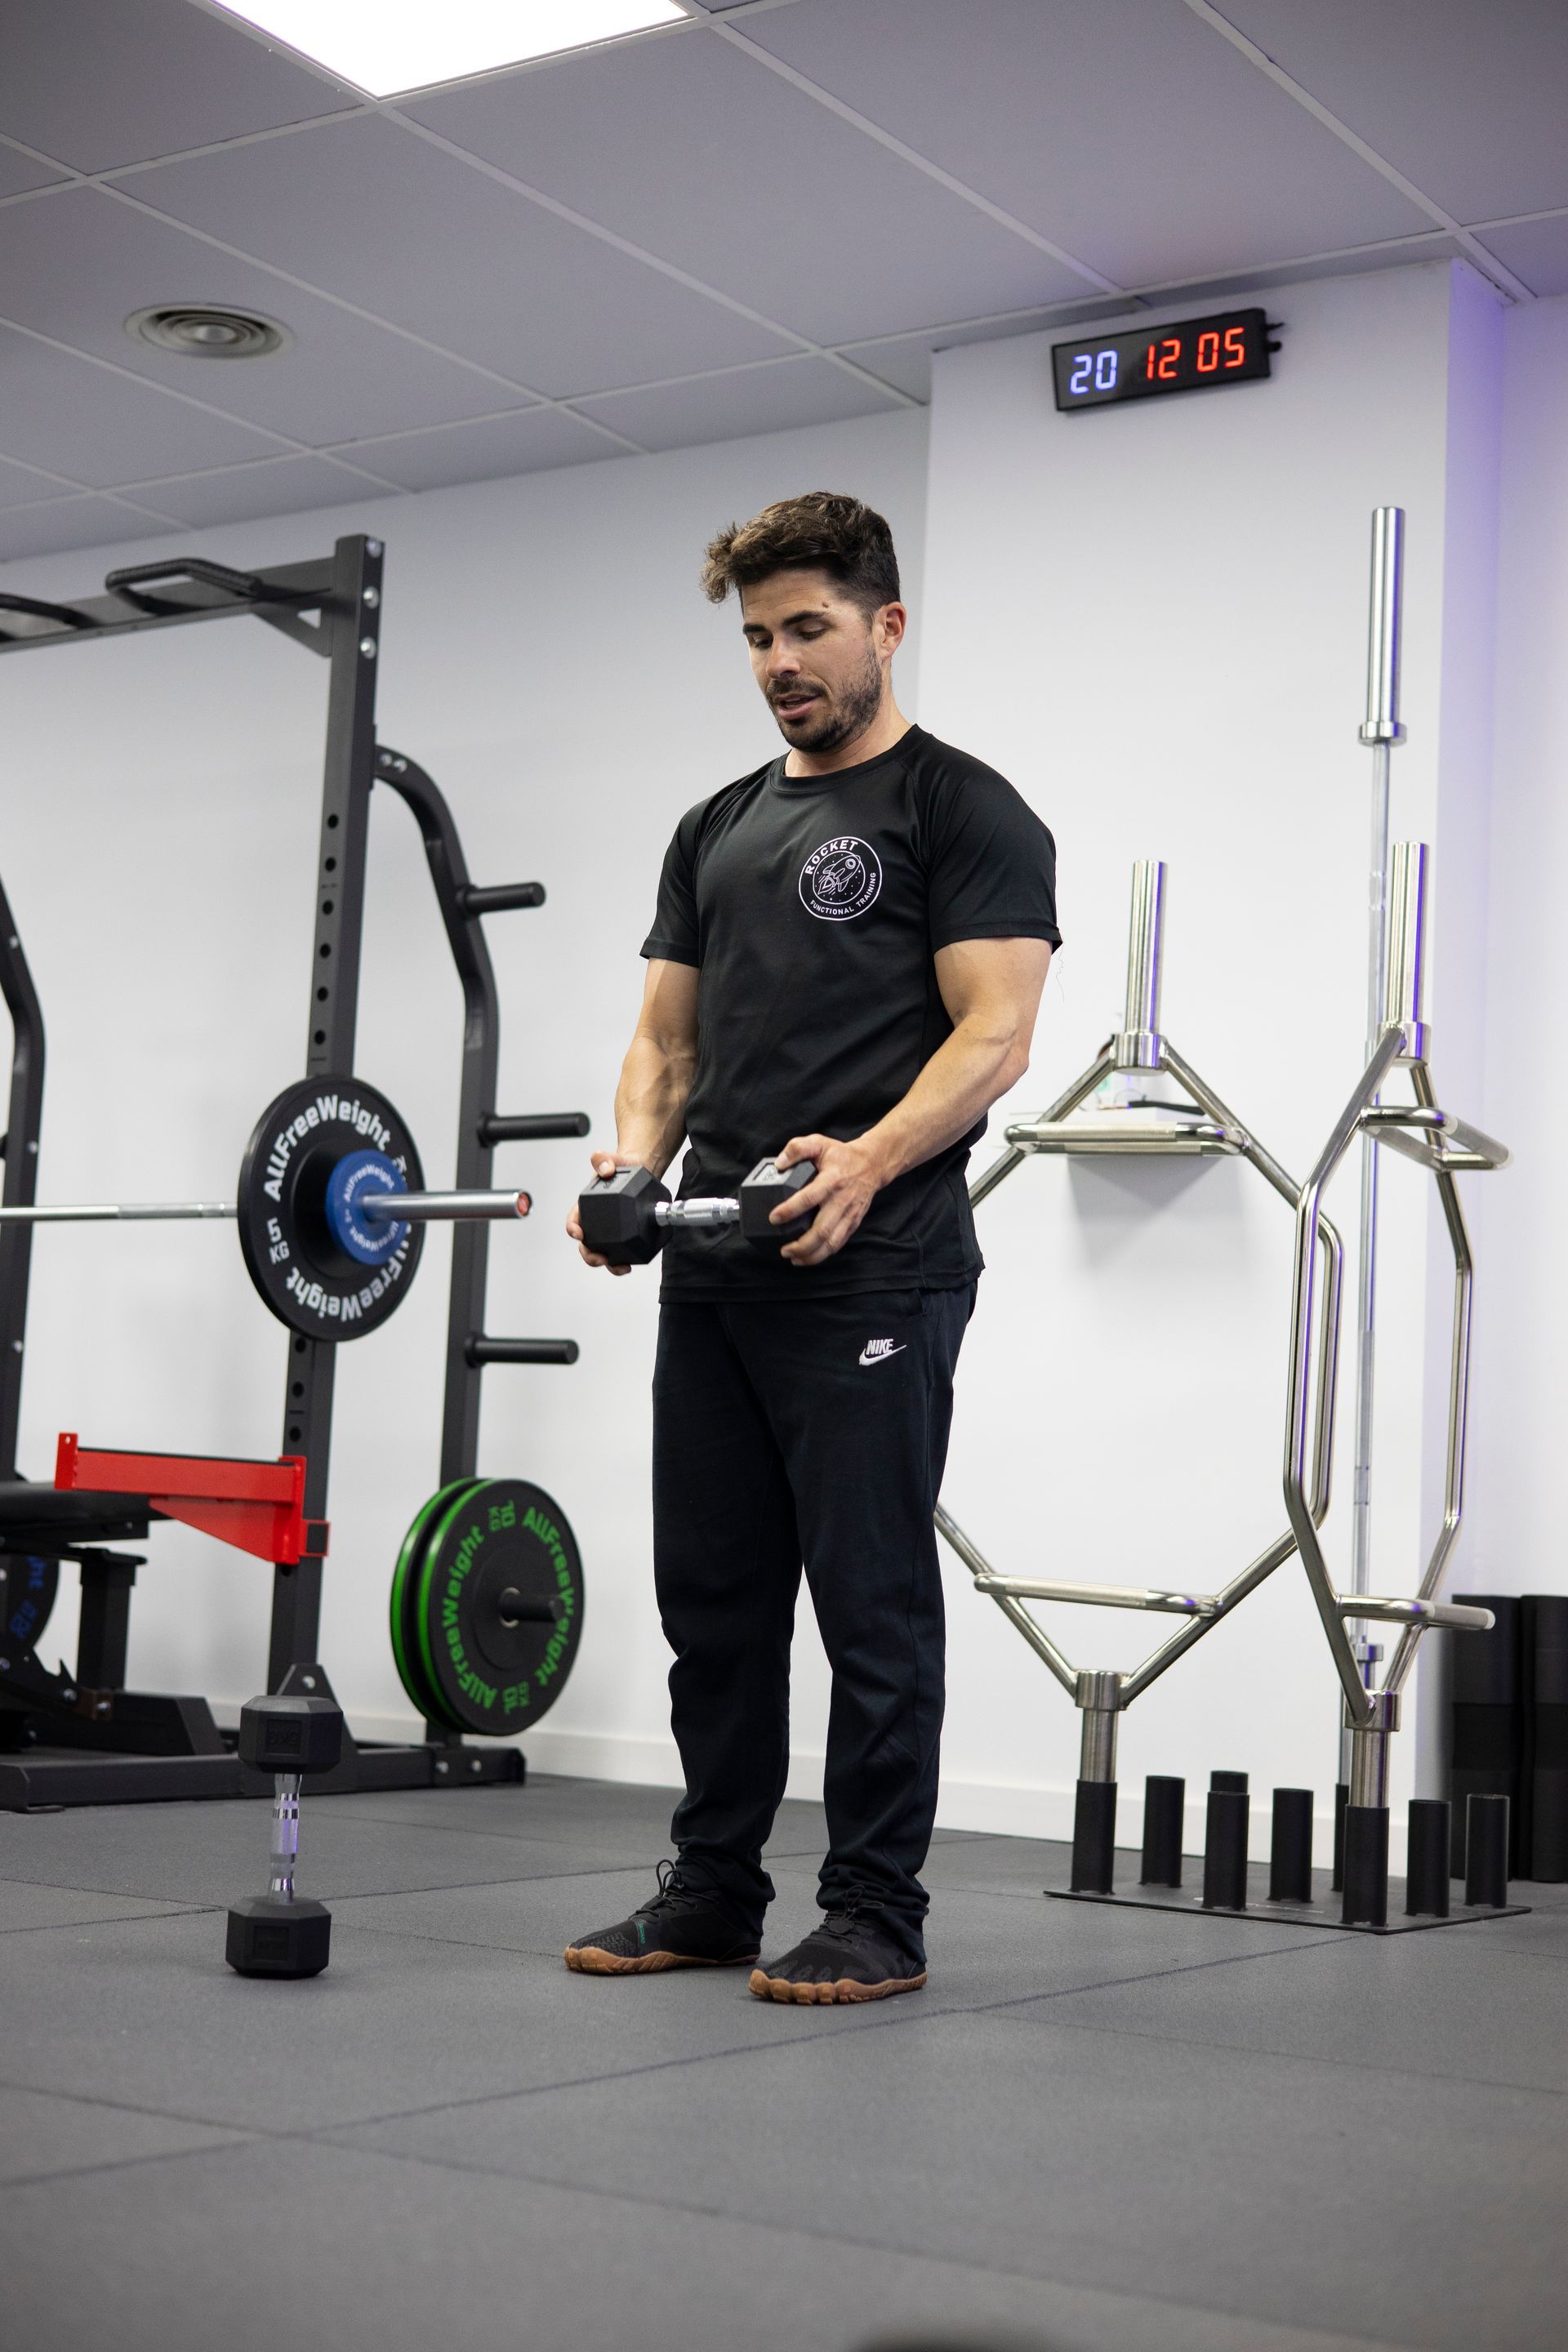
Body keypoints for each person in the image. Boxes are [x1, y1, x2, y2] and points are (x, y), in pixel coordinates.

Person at [563, 492, 1059, 2003]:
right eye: (760, 637)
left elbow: (998, 1030)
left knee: (870, 1602)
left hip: (876, 1263)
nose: (782, 660)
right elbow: (664, 1041)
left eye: (809, 629)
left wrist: (873, 1155)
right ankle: (713, 1889)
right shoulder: (715, 827)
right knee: (711, 1602)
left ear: (884, 625)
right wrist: (635, 1174)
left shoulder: (960, 809)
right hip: (719, 1264)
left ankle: (874, 1913)